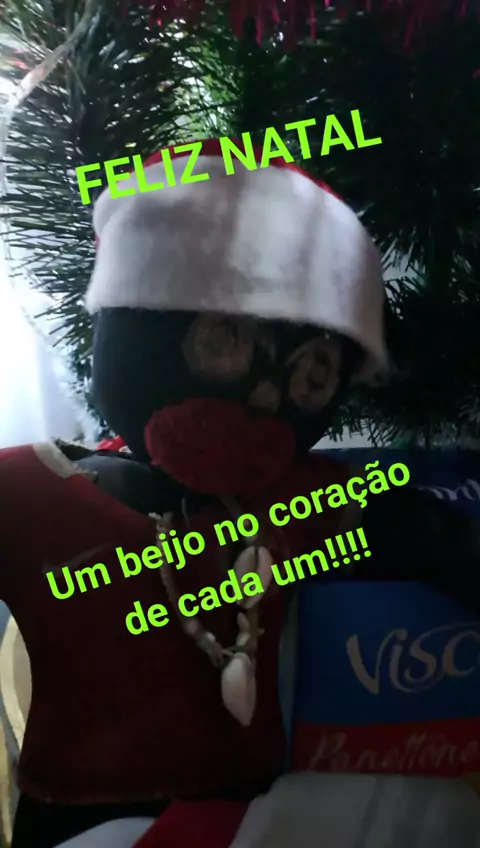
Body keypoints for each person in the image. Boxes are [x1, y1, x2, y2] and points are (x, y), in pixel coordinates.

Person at [2, 139, 479, 848]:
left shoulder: (301, 500)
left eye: (311, 374)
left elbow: (424, 533)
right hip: (81, 816)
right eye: (224, 342)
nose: (261, 399)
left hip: (251, 804)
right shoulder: (27, 494)